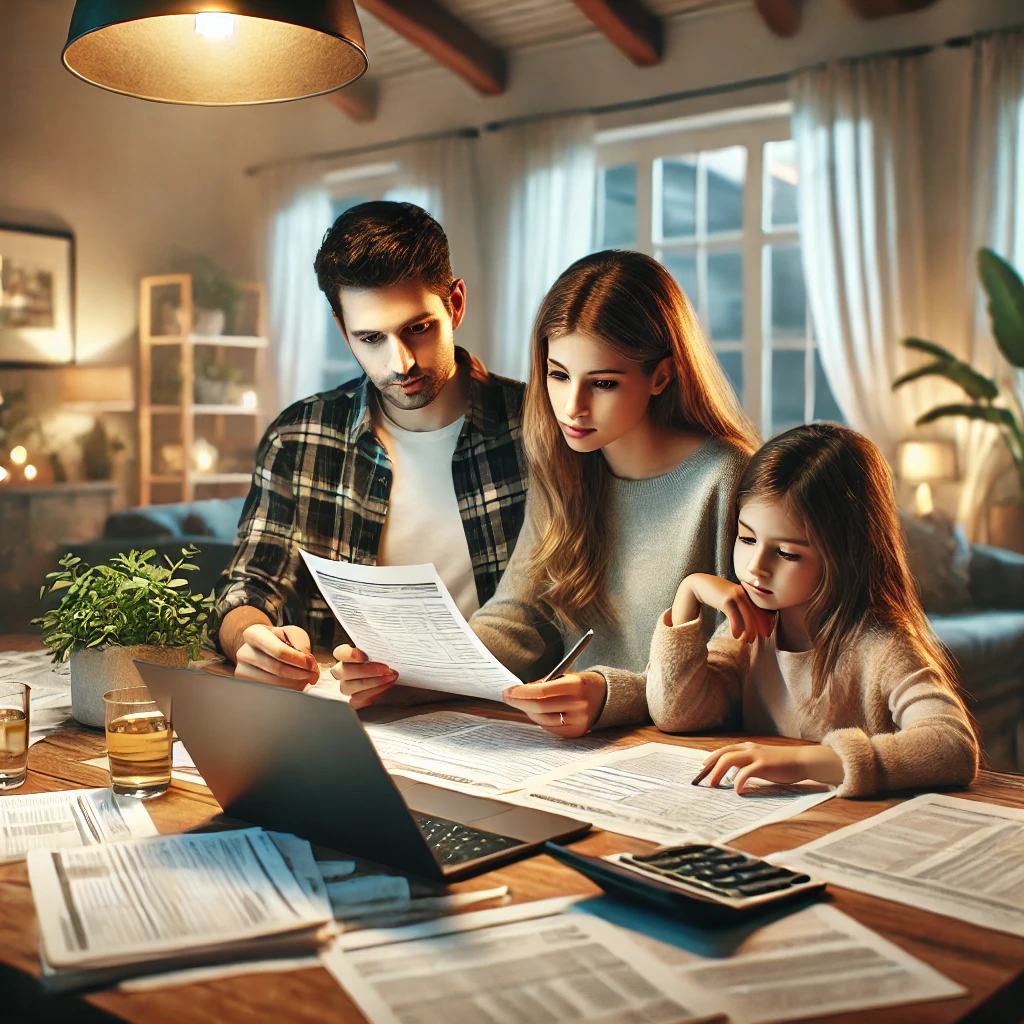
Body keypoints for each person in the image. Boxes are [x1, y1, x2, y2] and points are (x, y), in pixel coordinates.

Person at [337, 250, 760, 732]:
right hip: (579, 751)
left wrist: (611, 694)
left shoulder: (728, 478)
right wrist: (410, 672)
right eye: (558, 375)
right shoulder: (567, 465)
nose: (572, 407)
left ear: (660, 376)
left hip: (692, 756)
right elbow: (520, 616)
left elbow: (741, 670)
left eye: (602, 383)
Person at [208, 202, 528, 686]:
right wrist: (251, 640)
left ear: (456, 304)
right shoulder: (299, 437)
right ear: (342, 329)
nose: (399, 363)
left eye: (417, 329)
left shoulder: (537, 429)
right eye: (370, 337)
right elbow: (247, 585)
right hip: (352, 714)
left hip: (501, 713)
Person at [648, 422, 979, 798]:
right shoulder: (752, 629)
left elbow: (952, 745)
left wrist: (809, 763)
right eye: (746, 537)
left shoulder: (880, 646)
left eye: (787, 553)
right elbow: (677, 714)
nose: (756, 566)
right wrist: (688, 591)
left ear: (844, 555)